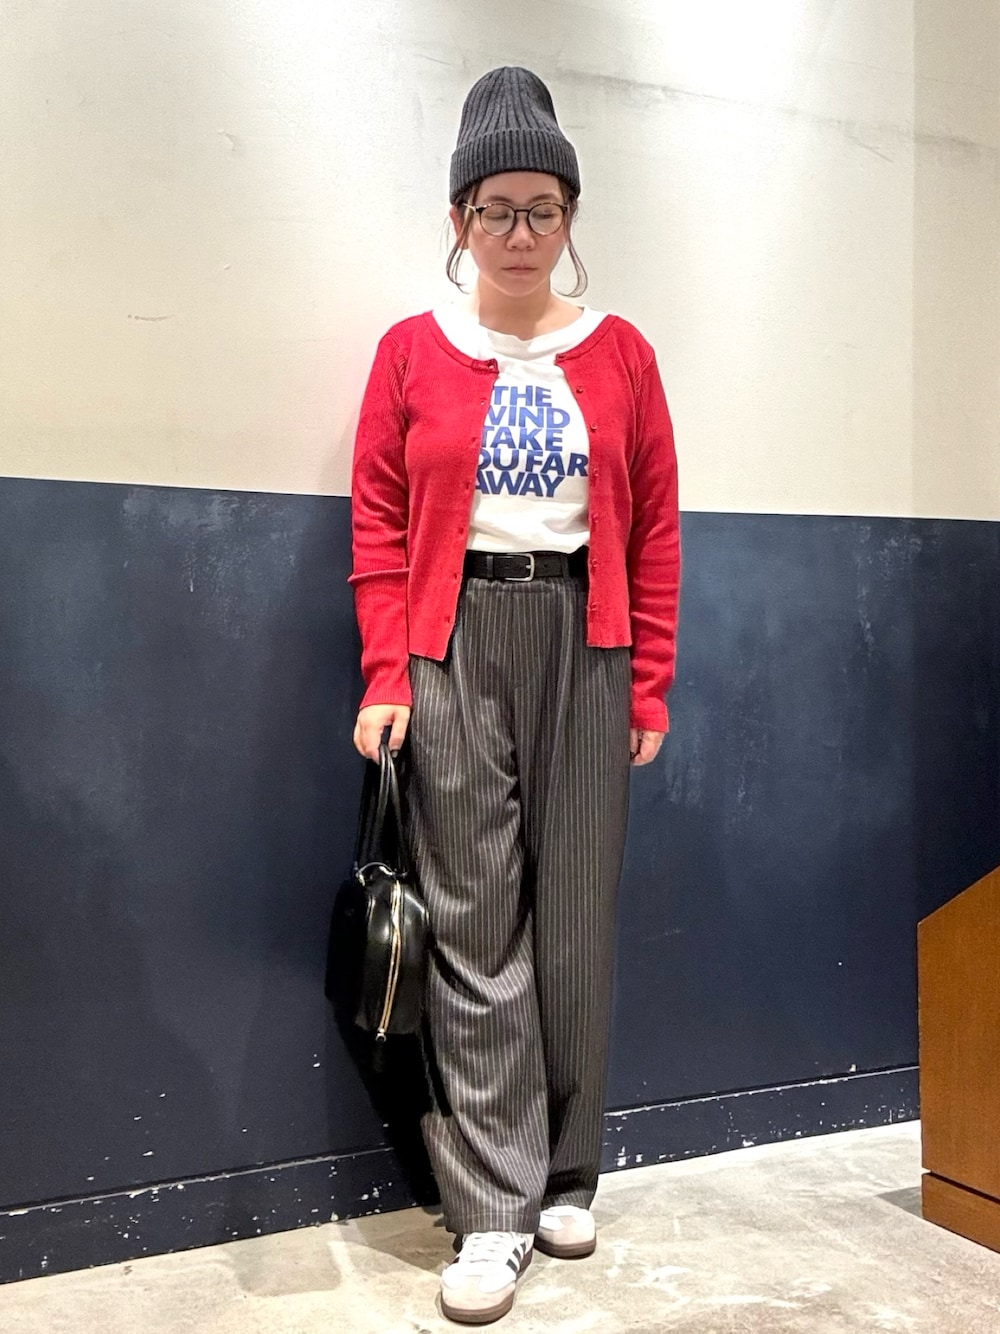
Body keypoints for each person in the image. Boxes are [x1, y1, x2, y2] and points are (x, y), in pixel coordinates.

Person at [348, 65, 680, 1325]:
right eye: (496, 209)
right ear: (458, 220)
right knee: (475, 919)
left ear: (570, 217)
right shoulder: (410, 352)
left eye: (543, 209)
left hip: (587, 637)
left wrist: (648, 680)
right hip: (453, 640)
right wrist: (388, 672)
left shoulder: (622, 353)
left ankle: (568, 1171)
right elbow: (379, 525)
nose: (521, 233)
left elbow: (656, 526)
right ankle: (492, 1205)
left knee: (576, 915)